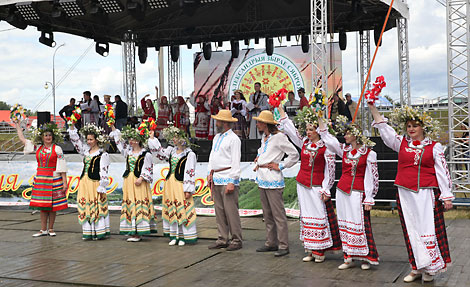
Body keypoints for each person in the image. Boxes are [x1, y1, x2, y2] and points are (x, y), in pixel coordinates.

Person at [369, 104, 453, 282]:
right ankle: (416, 267)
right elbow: (384, 129)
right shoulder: (401, 143)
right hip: (405, 193)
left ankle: (430, 268)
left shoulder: (434, 147)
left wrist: (446, 195)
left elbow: (442, 172)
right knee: (410, 229)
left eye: (415, 125)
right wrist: (373, 108)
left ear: (423, 127)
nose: (411, 129)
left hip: (426, 193)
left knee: (428, 229)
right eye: (408, 126)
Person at [278, 107, 341, 262]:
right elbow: (291, 130)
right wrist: (280, 109)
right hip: (303, 183)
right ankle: (310, 249)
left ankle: (320, 250)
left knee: (319, 215)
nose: (308, 132)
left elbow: (330, 170)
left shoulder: (326, 148)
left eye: (311, 129)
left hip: (317, 186)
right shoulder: (304, 142)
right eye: (307, 129)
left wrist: (326, 188)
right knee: (306, 215)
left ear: (318, 131)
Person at [318, 115, 379, 270]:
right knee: (344, 222)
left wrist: (370, 197)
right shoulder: (344, 150)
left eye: (347, 133)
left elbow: (372, 177)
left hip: (358, 193)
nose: (344, 136)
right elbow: (328, 138)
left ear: (355, 135)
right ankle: (348, 256)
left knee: (360, 224)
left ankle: (365, 257)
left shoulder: (369, 154)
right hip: (342, 191)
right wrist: (320, 119)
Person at [253, 110, 299, 257]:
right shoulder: (265, 137)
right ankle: (271, 242)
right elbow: (263, 150)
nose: (257, 124)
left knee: (278, 214)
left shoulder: (279, 137)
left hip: (273, 179)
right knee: (267, 214)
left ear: (266, 123)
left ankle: (283, 244)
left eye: (259, 122)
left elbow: (294, 154)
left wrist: (281, 165)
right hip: (262, 178)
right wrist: (259, 157)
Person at [15, 122, 68, 237]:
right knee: (42, 205)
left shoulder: (57, 149)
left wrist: (65, 182)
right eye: (45, 135)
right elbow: (23, 140)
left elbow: (62, 166)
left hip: (54, 178)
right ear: (42, 137)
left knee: (53, 206)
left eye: (49, 135)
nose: (48, 137)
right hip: (41, 179)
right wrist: (18, 126)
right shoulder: (38, 147)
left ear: (53, 137)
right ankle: (43, 229)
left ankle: (51, 228)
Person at [148, 126, 197, 246]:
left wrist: (188, 189)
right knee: (172, 207)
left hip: (181, 184)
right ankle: (174, 235)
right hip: (170, 183)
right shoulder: (171, 151)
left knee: (182, 208)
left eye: (177, 136)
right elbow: (159, 151)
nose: (174, 139)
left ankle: (183, 236)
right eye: (173, 137)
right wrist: (152, 138)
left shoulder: (189, 154)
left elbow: (190, 171)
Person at [110, 124, 157, 242]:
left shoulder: (145, 154)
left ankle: (138, 232)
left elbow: (148, 168)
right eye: (130, 139)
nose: (131, 141)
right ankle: (131, 229)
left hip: (139, 181)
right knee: (130, 202)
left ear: (139, 140)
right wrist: (113, 129)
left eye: (134, 139)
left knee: (139, 202)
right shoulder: (128, 152)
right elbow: (119, 144)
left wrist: (141, 178)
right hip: (129, 180)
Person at [206, 110, 243, 251]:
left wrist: (232, 181)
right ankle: (222, 238)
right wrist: (210, 172)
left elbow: (236, 161)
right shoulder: (217, 137)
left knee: (231, 211)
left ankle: (236, 239)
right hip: (216, 177)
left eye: (218, 121)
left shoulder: (234, 139)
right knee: (219, 211)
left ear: (225, 123)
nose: (216, 123)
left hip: (227, 176)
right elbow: (212, 157)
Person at [68, 123, 110, 240]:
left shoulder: (102, 154)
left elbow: (104, 170)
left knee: (96, 204)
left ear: (96, 140)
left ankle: (98, 231)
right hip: (84, 181)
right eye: (87, 139)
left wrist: (102, 185)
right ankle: (88, 231)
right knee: (85, 203)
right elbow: (76, 142)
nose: (89, 141)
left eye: (91, 139)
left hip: (95, 182)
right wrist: (72, 127)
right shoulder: (86, 152)